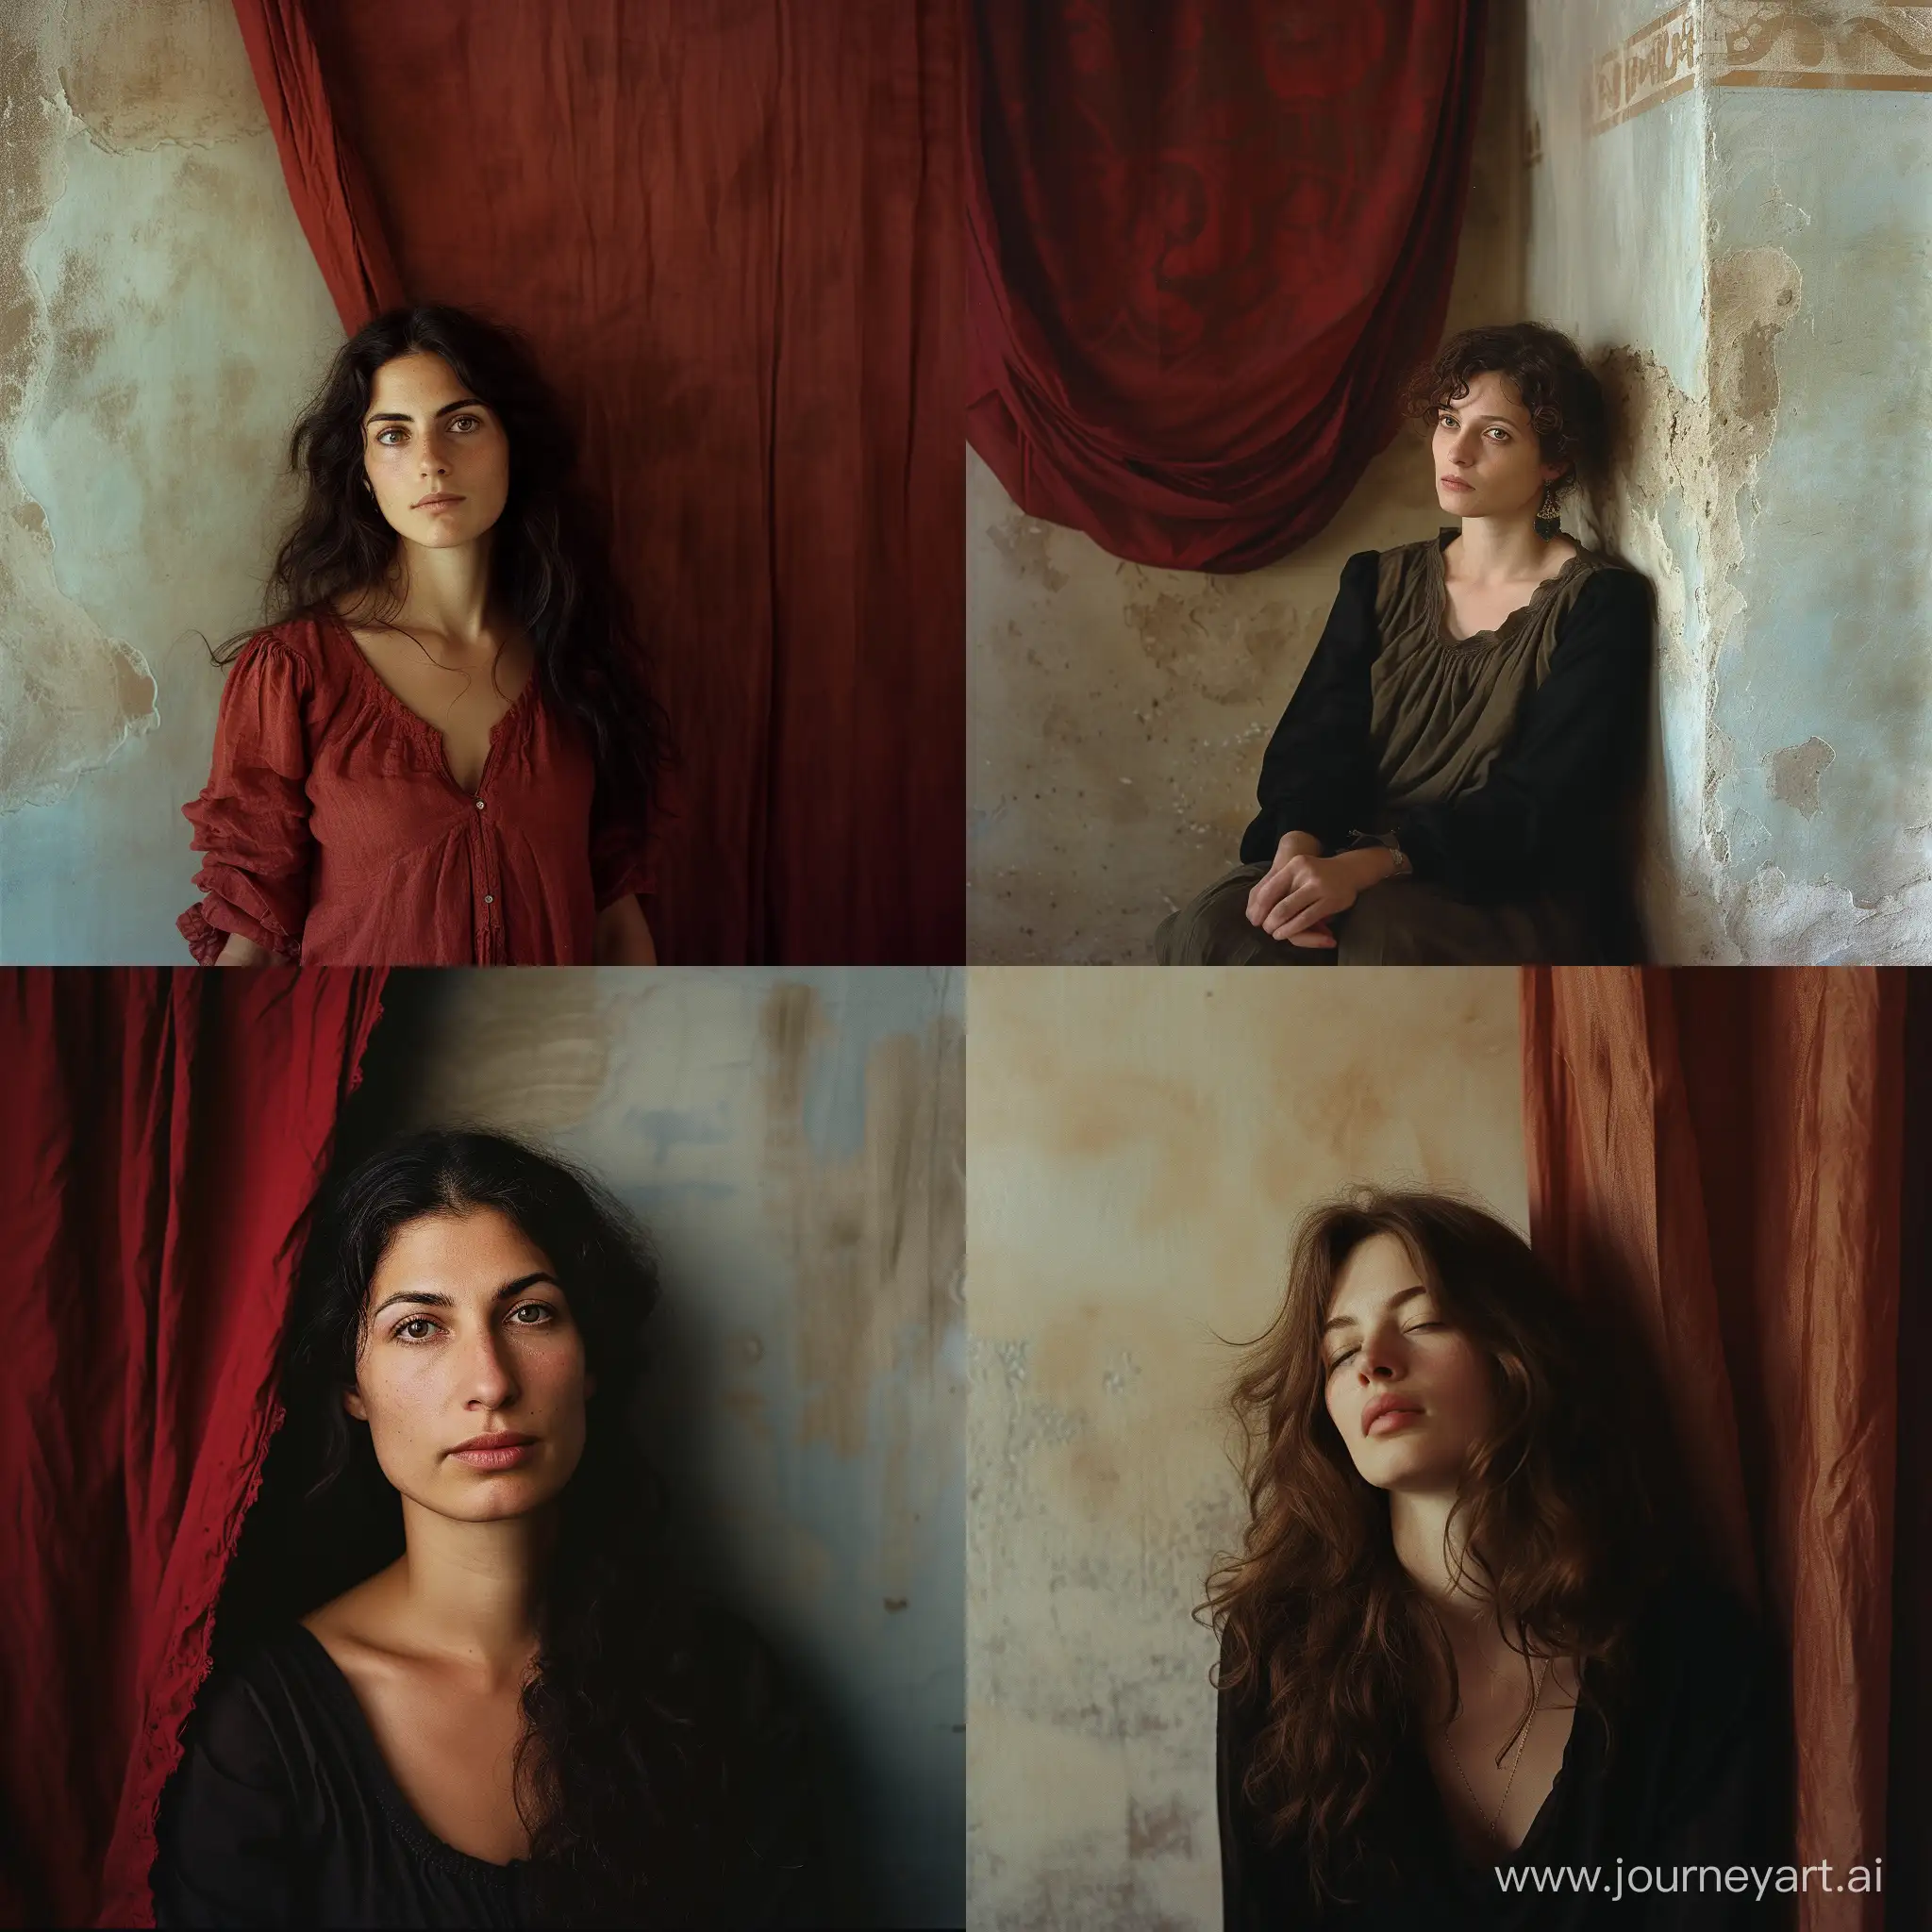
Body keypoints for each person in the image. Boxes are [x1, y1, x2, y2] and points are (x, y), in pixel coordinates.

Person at [153, 1131, 821, 1928]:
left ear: (591, 1359)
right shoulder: (259, 1735)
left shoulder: (726, 1688)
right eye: (419, 1328)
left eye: (530, 1313)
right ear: (350, 1384)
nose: (491, 1382)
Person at [1208, 1191, 1789, 1928]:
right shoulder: (1277, 1656)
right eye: (1341, 1351)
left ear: (1516, 1355)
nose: (1374, 1365)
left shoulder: (1689, 1653)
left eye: (1422, 1321)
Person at [178, 307, 666, 967]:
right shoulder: (293, 672)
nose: (431, 462)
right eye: (393, 435)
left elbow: (615, 919)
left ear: (512, 445)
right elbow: (254, 941)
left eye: (461, 423)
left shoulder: (575, 663)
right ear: (362, 468)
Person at [1158, 324, 1651, 966]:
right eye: (1449, 421)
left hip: (1501, 876)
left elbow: (1547, 799)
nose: (1459, 451)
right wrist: (1297, 851)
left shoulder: (1599, 603)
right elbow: (1313, 745)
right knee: (1224, 928)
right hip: (1347, 855)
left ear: (1554, 460)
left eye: (1496, 433)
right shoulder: (1377, 579)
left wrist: (1374, 865)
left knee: (1385, 937)